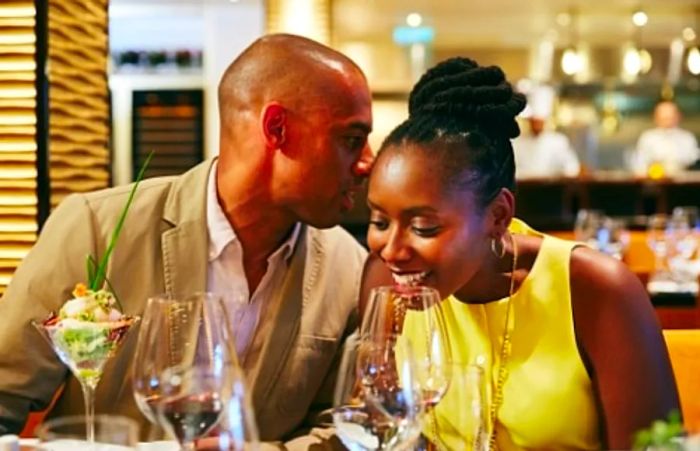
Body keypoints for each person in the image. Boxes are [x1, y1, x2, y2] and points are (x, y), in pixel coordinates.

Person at [0, 33, 373, 446]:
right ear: (276, 128)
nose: (367, 162)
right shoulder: (96, 228)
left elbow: (342, 430)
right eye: (352, 140)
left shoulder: (349, 267)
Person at [361, 57, 679, 449]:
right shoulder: (385, 284)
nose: (391, 250)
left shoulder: (596, 290)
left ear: (498, 215)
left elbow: (656, 446)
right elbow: (382, 427)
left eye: (423, 227)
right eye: (378, 222)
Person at [632, 100, 700, 176]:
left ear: (678, 117)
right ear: (656, 118)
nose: (668, 121)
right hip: (655, 183)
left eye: (671, 117)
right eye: (664, 118)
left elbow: (694, 163)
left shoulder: (688, 138)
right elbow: (639, 165)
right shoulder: (647, 138)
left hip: (684, 182)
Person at [512, 115, 581, 178]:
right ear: (529, 121)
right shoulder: (517, 142)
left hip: (552, 187)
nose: (536, 125)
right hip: (524, 187)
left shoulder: (558, 141)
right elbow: (511, 169)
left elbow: (572, 167)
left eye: (539, 121)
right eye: (534, 121)